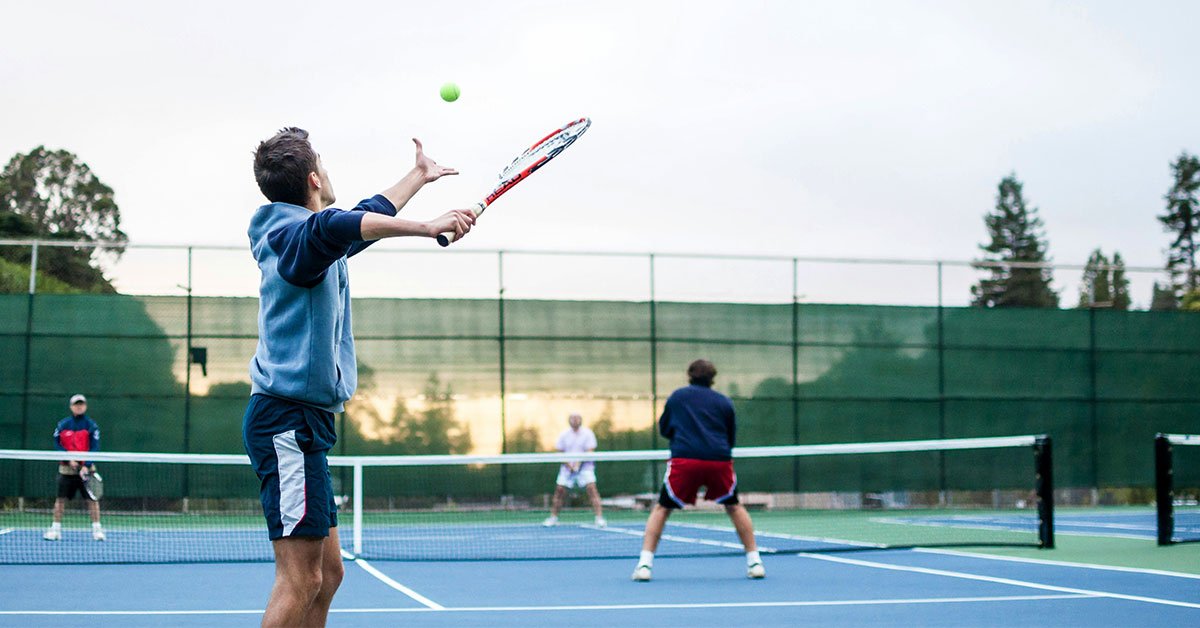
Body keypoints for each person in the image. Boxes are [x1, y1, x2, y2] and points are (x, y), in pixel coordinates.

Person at [242, 127, 475, 628]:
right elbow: (338, 225)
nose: (328, 173)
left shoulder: (306, 239)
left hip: (305, 422)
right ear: (313, 179)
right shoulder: (295, 239)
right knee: (300, 579)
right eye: (323, 165)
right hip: (286, 422)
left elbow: (360, 218)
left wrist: (418, 177)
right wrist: (428, 226)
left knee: (328, 574)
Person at [632, 360, 764, 582]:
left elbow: (665, 428)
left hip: (685, 460)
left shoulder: (677, 397)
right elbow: (730, 437)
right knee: (734, 506)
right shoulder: (724, 402)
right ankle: (755, 562)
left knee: (662, 508)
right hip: (718, 460)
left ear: (689, 375)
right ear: (713, 378)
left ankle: (644, 565)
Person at [43, 394, 105, 542]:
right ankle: (55, 530)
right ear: (71, 407)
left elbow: (95, 447)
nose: (79, 407)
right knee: (60, 500)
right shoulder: (63, 425)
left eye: (81, 404)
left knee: (92, 501)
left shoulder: (91, 425)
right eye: (76, 404)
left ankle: (97, 531)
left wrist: (86, 465)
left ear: (85, 406)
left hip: (86, 470)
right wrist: (68, 459)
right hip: (66, 470)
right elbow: (57, 445)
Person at [542, 412, 606, 528]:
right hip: (567, 469)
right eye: (572, 418)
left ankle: (599, 518)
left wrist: (578, 464)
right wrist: (570, 466)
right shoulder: (564, 434)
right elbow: (560, 452)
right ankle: (553, 518)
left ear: (581, 420)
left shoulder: (588, 433)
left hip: (585, 468)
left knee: (592, 489)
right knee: (559, 491)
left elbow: (590, 451)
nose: (575, 420)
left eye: (577, 418)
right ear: (569, 420)